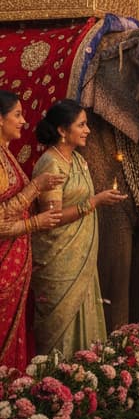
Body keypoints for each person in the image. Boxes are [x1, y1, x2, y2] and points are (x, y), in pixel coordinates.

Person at [31, 99, 125, 357]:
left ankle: (84, 382)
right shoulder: (51, 164)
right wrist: (94, 202)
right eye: (81, 125)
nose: (87, 130)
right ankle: (57, 385)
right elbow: (50, 218)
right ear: (62, 130)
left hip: (81, 259)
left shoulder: (78, 161)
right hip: (58, 261)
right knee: (60, 324)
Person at [0, 91, 63, 370]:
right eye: (17, 115)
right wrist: (36, 190)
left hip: (16, 269)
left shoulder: (6, 154)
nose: (24, 121)